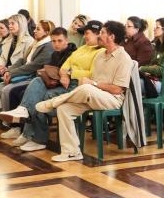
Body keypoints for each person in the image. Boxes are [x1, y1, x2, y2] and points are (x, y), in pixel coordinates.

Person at [34, 21, 135, 163]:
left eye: (103, 33)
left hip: (113, 99)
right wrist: (88, 81)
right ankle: (72, 152)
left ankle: (54, 101)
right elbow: (92, 79)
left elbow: (118, 89)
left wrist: (92, 83)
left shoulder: (124, 59)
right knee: (64, 109)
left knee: (86, 88)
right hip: (93, 95)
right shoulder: (100, 56)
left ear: (111, 36)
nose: (100, 35)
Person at [2, 21, 103, 152]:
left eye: (87, 33)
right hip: (65, 80)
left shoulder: (100, 52)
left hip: (79, 87)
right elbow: (66, 65)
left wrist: (70, 73)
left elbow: (93, 74)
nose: (84, 36)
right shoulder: (82, 48)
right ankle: (24, 111)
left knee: (41, 98)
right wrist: (65, 73)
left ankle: (38, 139)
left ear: (98, 34)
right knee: (37, 82)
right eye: (84, 33)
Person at [0, 20, 56, 139]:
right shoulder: (36, 43)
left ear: (47, 32)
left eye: (38, 29)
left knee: (9, 91)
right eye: (35, 28)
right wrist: (8, 70)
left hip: (33, 76)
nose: (34, 31)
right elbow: (23, 60)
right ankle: (8, 124)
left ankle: (17, 127)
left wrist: (11, 72)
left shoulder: (47, 46)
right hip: (25, 74)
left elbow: (33, 66)